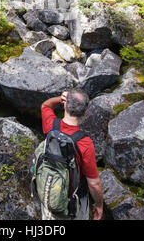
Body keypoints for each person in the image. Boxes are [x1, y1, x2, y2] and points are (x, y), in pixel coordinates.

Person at [41, 88, 104, 221]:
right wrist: (99, 205)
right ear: (85, 113)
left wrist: (59, 99)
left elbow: (45, 105)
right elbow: (93, 183)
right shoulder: (85, 143)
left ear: (65, 105)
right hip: (73, 201)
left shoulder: (51, 124)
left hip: (49, 189)